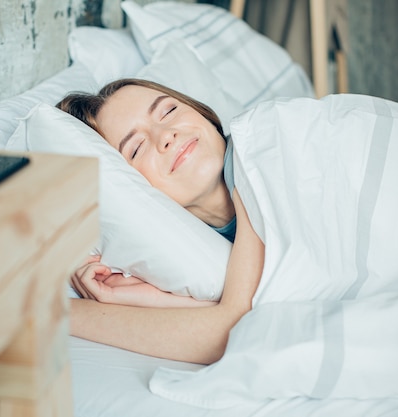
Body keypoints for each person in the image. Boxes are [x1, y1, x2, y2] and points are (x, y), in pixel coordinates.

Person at [56, 78, 265, 365]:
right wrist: (142, 296)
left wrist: (54, 311)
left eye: (168, 112)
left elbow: (234, 329)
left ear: (200, 112)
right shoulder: (198, 251)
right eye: (137, 147)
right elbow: (259, 310)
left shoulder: (258, 154)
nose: (167, 135)